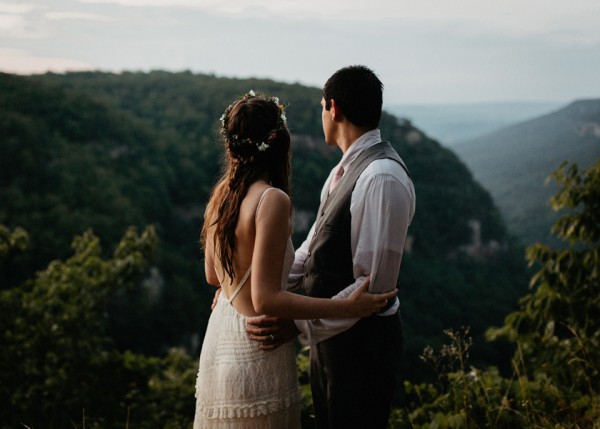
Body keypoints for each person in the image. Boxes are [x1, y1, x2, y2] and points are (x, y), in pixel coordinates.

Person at [193, 90, 397, 429]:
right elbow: (265, 298)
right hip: (256, 347)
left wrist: (235, 284)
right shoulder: (271, 199)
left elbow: (213, 276)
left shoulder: (221, 195)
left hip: (221, 338)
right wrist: (345, 307)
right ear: (279, 142)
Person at [246, 65, 416, 429]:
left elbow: (371, 291)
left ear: (334, 108)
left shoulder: (381, 177)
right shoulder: (342, 171)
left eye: (322, 106)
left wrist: (296, 326)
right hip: (329, 340)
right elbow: (310, 252)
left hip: (362, 351)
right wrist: (250, 289)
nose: (322, 114)